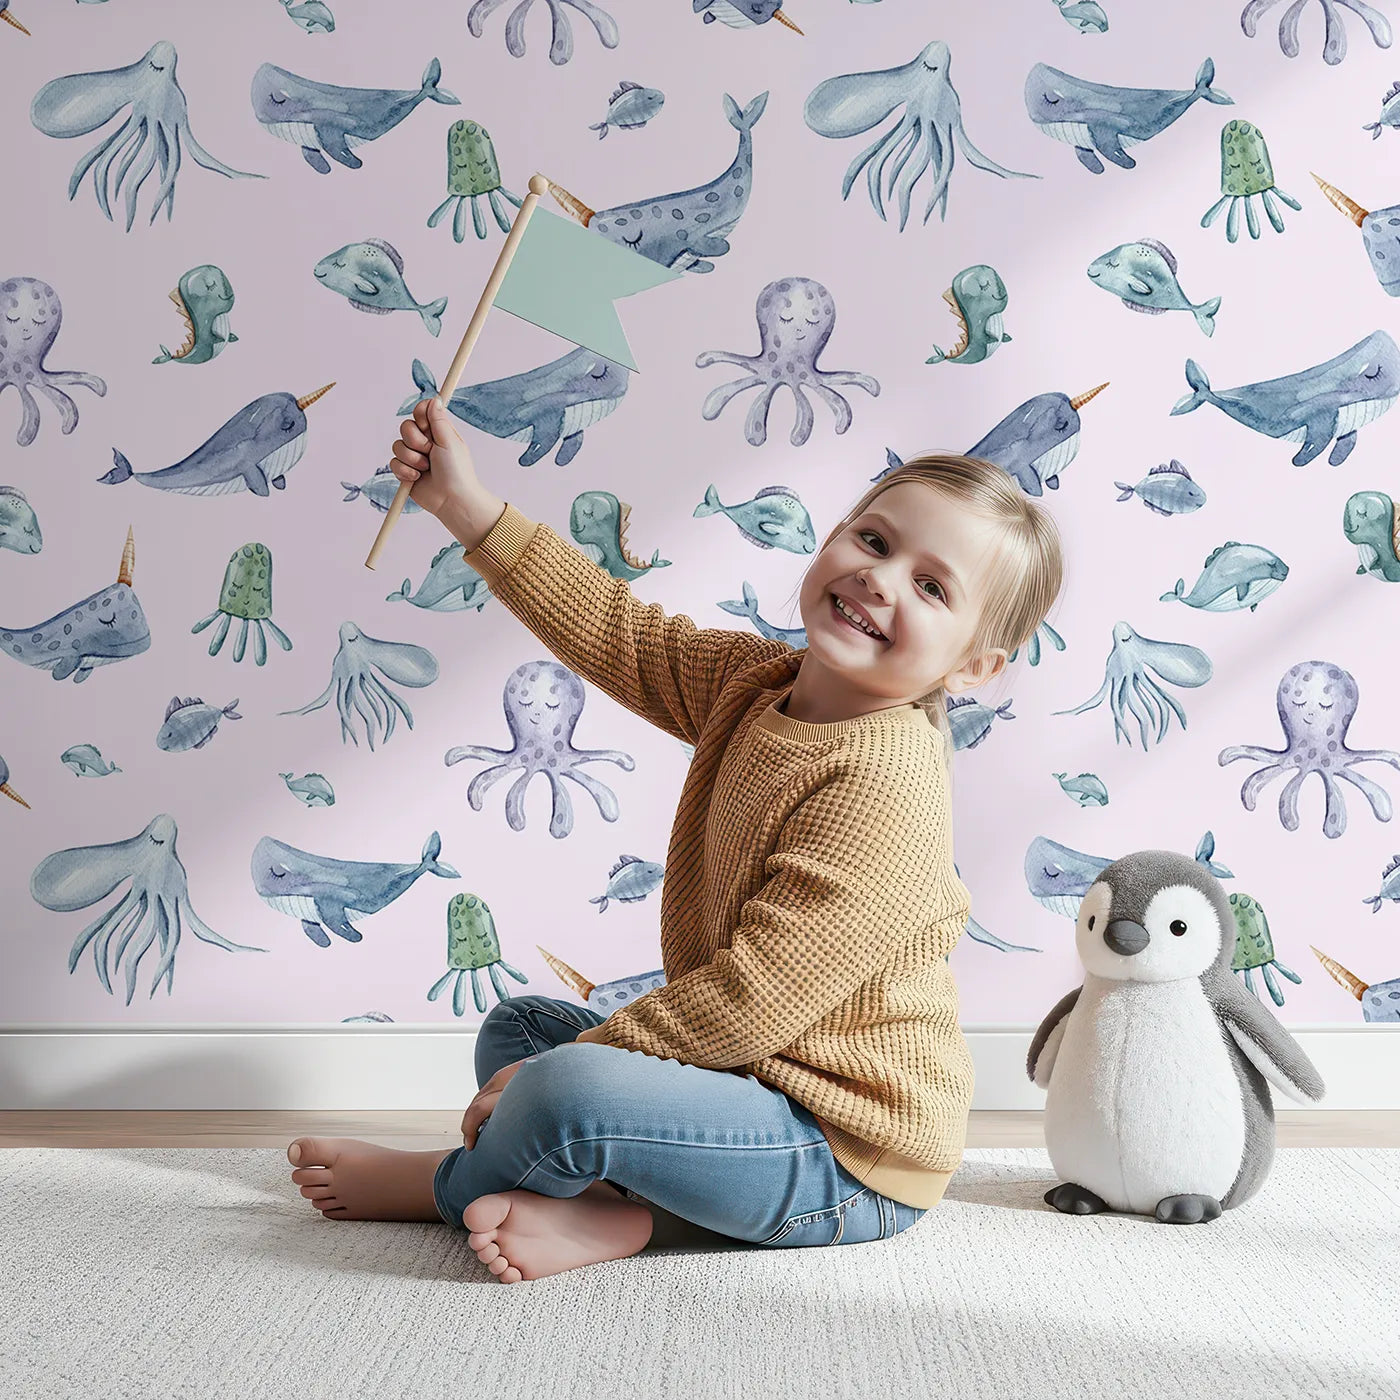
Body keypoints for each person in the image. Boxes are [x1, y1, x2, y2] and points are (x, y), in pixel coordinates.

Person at [287, 398, 1065, 1283]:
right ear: (834, 537)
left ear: (973, 667)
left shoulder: (883, 784)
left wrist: (583, 1065)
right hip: (748, 1082)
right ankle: (625, 1214)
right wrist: (466, 508)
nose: (880, 580)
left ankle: (442, 1186)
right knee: (524, 1030)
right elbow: (616, 632)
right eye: (875, 541)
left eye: (932, 588)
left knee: (560, 1087)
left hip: (842, 1154)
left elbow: (751, 1000)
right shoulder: (754, 683)